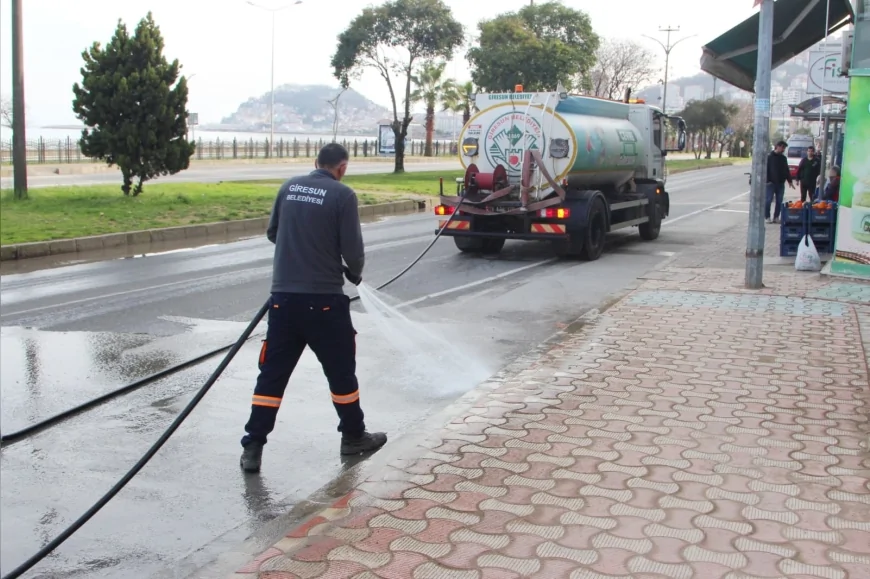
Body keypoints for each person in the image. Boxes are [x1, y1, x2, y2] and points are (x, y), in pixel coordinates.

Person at [239, 143, 387, 473]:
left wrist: (301, 249)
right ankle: (353, 437)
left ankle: (252, 446)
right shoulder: (342, 195)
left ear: (315, 162)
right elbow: (353, 250)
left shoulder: (288, 187)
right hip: (324, 304)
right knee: (341, 372)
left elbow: (273, 232)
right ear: (342, 167)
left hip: (283, 301)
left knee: (272, 376)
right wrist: (354, 272)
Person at [765, 141, 795, 224]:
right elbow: (766, 170)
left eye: (784, 148)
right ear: (777, 146)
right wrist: (767, 181)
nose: (783, 149)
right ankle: (767, 216)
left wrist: (790, 181)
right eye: (782, 147)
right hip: (770, 183)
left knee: (779, 201)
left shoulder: (783, 158)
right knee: (768, 200)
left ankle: (776, 217)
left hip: (781, 183)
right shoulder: (769, 157)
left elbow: (786, 170)